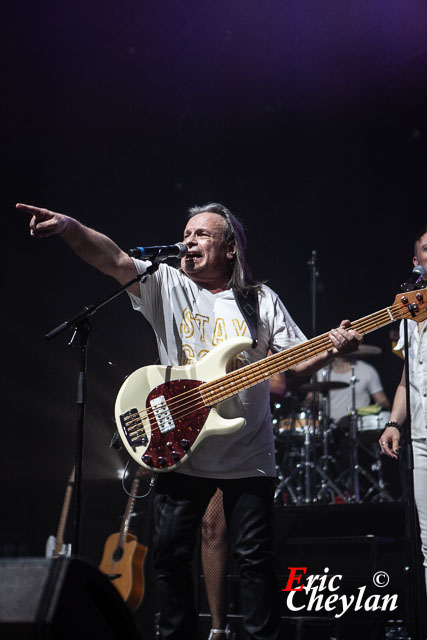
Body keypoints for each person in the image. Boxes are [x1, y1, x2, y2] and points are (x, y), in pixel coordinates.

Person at [18, 200, 362, 640]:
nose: (189, 240)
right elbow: (113, 258)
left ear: (230, 248)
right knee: (169, 556)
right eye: (186, 233)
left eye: (201, 234)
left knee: (256, 559)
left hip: (248, 453)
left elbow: (292, 366)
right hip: (180, 446)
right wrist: (69, 226)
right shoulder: (167, 284)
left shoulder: (259, 300)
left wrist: (333, 348)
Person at [201, 372, 286, 640]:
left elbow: (279, 385)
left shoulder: (255, 329)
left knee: (252, 547)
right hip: (208, 435)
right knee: (210, 529)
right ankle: (217, 630)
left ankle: (258, 633)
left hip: (248, 444)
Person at [379, 225, 427, 590]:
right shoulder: (409, 313)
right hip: (422, 439)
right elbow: (406, 378)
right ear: (417, 260)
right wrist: (394, 422)